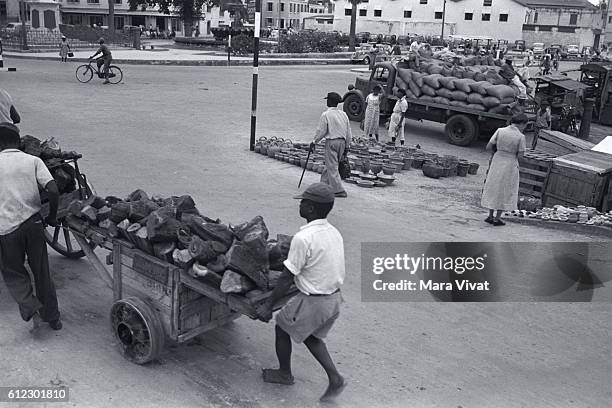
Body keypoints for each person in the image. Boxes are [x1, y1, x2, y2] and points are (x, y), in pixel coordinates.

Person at [257, 182, 346, 403]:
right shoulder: (333, 232)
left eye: (303, 202)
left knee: (282, 326)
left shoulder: (303, 238)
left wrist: (268, 305)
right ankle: (334, 378)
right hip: (334, 299)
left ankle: (285, 373)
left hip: (315, 301)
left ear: (311, 209)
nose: (300, 205)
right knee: (312, 338)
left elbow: (287, 276)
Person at [0, 122, 62, 331]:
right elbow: (53, 189)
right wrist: (52, 216)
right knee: (42, 271)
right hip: (34, 224)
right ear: (19, 142)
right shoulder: (33, 160)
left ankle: (29, 306)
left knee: (13, 271)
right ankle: (53, 317)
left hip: (7, 229)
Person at [481, 114, 528, 226]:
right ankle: (497, 218)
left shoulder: (500, 130)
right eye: (525, 125)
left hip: (497, 160)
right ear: (521, 124)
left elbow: (488, 146)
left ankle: (490, 215)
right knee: (505, 188)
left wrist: (497, 152)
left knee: (493, 186)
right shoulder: (520, 137)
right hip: (510, 163)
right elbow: (521, 155)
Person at [310, 92, 351, 198]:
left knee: (332, 166)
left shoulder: (326, 114)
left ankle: (339, 190)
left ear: (330, 101)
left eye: (328, 100)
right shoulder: (344, 114)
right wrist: (347, 146)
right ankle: (323, 186)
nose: (327, 101)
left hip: (332, 142)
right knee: (330, 165)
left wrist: (314, 141)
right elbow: (348, 132)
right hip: (342, 142)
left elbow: (322, 131)